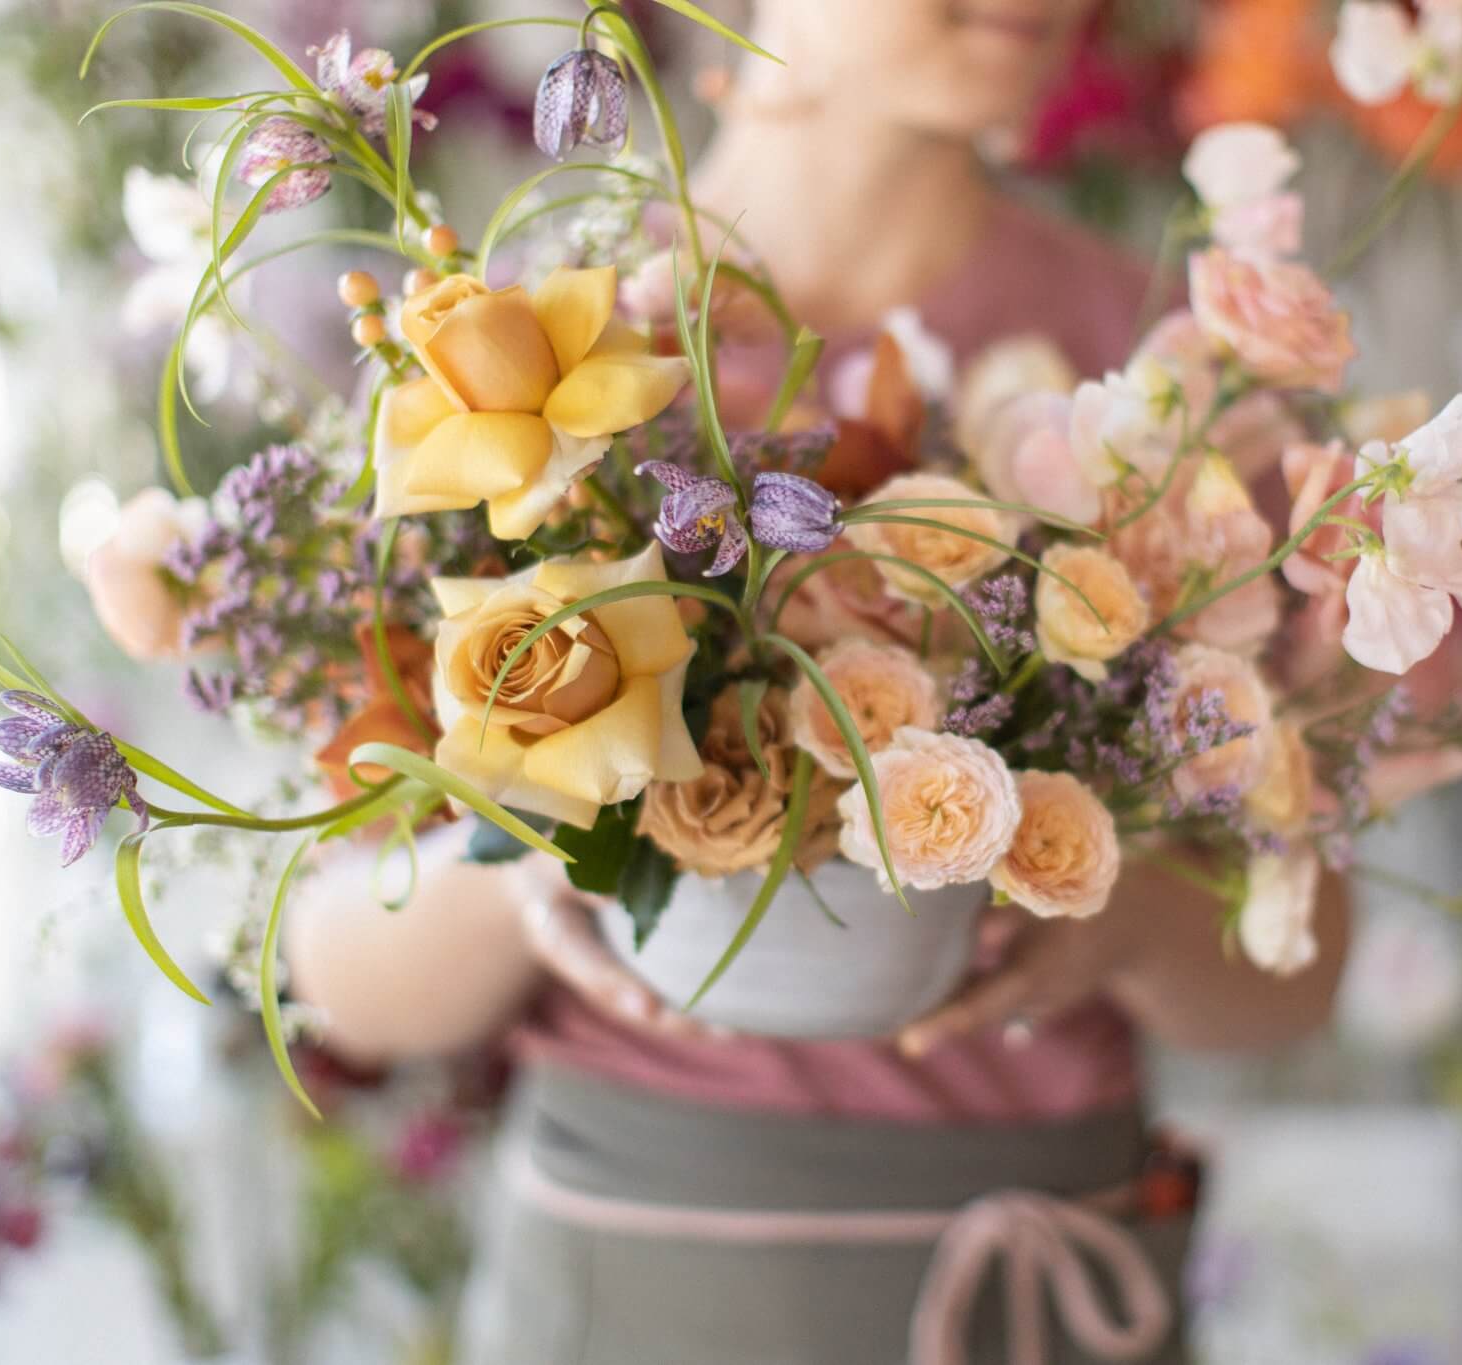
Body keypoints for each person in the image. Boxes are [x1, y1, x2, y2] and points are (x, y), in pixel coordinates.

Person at [287, 4, 1349, 1361]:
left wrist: (1124, 921)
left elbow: (1301, 972)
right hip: (639, 1285)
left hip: (1034, 1282)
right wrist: (523, 870)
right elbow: (336, 965)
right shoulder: (512, 346)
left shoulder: (1158, 368)